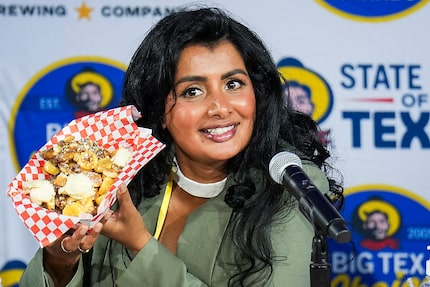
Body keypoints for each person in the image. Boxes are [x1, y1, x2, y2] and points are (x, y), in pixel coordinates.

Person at [20, 6, 344, 286]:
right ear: (159, 110)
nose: (220, 107)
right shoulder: (124, 178)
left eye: (233, 84)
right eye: (192, 91)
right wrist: (59, 258)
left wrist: (140, 245)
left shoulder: (289, 184)